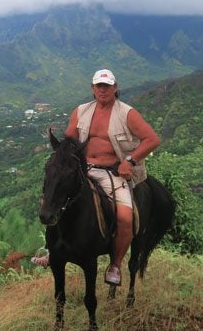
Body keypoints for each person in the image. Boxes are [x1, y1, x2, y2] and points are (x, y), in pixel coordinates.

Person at [32, 69, 160, 286]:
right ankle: (53, 251)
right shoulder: (81, 111)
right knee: (54, 200)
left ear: (115, 88)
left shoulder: (127, 113)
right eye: (98, 86)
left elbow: (152, 139)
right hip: (84, 169)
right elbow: (71, 139)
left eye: (107, 86)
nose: (102, 90)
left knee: (125, 217)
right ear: (92, 88)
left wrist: (130, 161)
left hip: (113, 171)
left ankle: (115, 265)